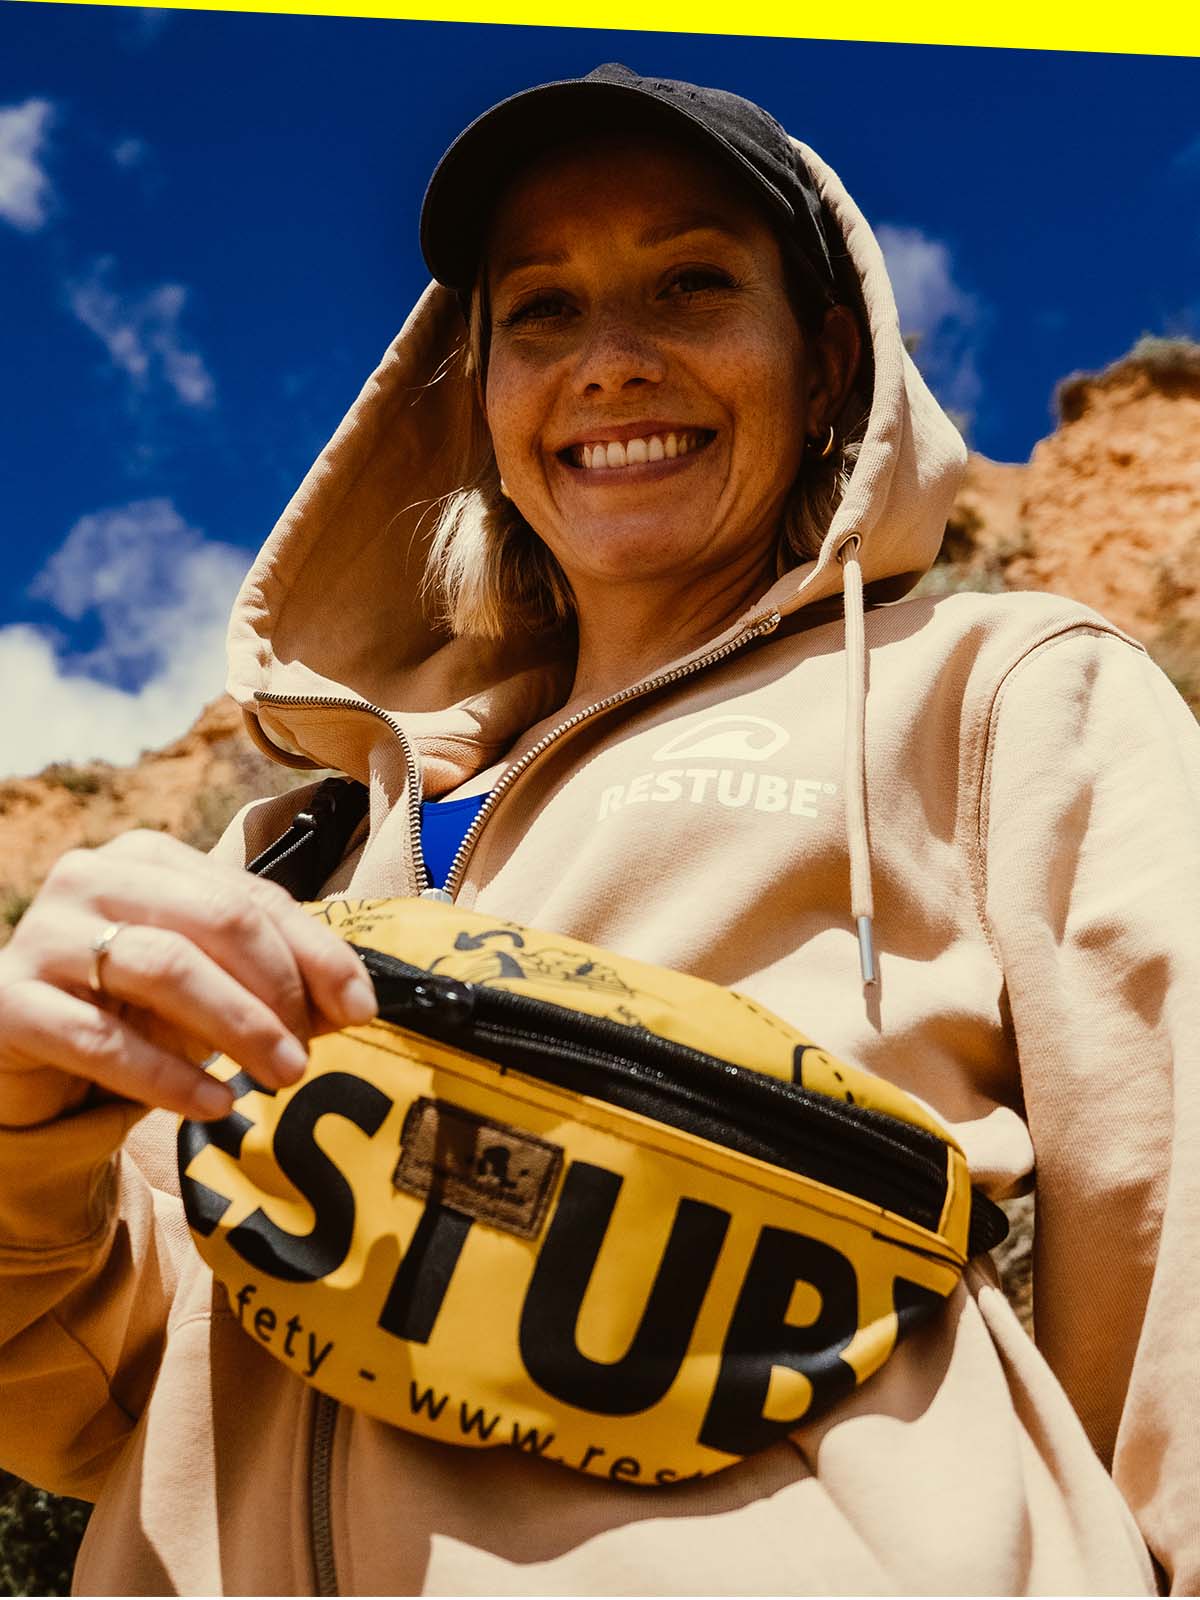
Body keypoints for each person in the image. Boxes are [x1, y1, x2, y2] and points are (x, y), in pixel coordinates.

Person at [0, 60, 1196, 1596]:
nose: (611, 361)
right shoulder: (291, 853)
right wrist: (26, 1133)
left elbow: (1181, 1272)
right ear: (482, 392)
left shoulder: (1004, 698)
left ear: (829, 362)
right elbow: (111, 1410)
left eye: (692, 285)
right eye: (542, 310)